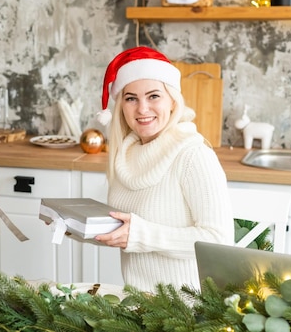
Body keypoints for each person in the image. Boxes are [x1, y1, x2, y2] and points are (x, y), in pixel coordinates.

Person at [94, 46, 234, 292]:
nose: (142, 109)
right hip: (137, 303)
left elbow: (218, 240)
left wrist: (141, 235)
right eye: (131, 98)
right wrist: (76, 226)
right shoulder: (125, 155)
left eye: (153, 96)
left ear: (172, 100)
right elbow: (130, 228)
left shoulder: (193, 155)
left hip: (188, 308)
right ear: (121, 106)